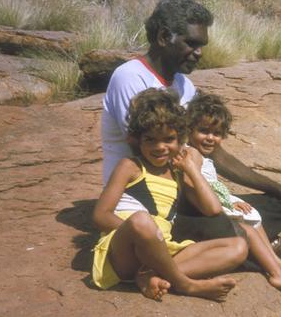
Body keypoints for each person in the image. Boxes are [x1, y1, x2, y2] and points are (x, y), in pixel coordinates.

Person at [101, 0, 281, 247]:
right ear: (164, 37)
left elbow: (212, 151)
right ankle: (249, 246)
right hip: (153, 200)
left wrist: (280, 189)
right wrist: (212, 199)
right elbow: (151, 154)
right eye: (191, 43)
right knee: (228, 226)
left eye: (201, 45)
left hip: (189, 191)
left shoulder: (183, 85)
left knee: (278, 207)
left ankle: (242, 240)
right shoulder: (130, 78)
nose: (199, 53)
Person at [92, 88, 245, 301]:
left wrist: (190, 168)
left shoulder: (176, 171)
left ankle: (151, 275)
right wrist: (148, 240)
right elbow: (101, 215)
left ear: (181, 138)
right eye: (151, 140)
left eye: (169, 139)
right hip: (126, 251)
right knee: (142, 222)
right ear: (138, 140)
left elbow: (213, 209)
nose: (160, 147)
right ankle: (187, 285)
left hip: (162, 250)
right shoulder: (131, 166)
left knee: (238, 246)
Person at [186, 92, 281, 291]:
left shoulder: (203, 156)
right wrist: (227, 203)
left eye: (216, 134)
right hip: (201, 209)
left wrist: (230, 200)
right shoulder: (189, 154)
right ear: (188, 130)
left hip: (216, 200)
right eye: (203, 131)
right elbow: (198, 190)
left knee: (254, 216)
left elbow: (213, 185)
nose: (210, 138)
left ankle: (272, 259)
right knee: (246, 229)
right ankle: (274, 272)